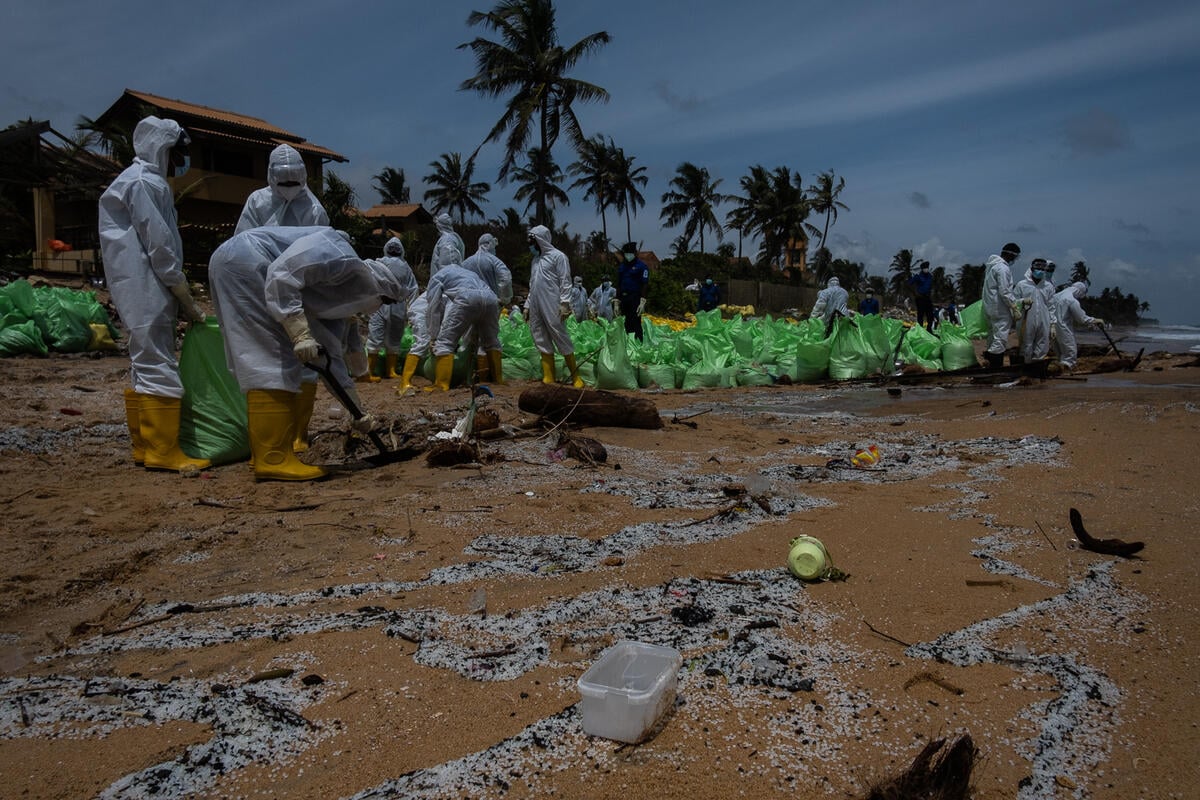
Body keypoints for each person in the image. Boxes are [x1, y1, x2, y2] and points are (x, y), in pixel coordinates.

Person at [208, 226, 407, 481]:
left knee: (271, 358)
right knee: (271, 359)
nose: (380, 307)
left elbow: (330, 357)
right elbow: (281, 276)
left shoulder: (332, 297)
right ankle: (274, 459)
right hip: (248, 261)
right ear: (378, 286)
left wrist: (357, 411)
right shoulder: (340, 257)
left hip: (243, 267)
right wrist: (300, 334)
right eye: (386, 301)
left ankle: (267, 455)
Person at [98, 115, 210, 473]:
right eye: (178, 153)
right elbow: (159, 242)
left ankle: (145, 447)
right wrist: (181, 290)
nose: (181, 161)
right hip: (148, 282)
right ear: (163, 148)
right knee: (157, 359)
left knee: (143, 360)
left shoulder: (130, 180)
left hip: (134, 282)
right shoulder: (147, 183)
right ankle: (164, 451)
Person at [424, 265, 504, 390]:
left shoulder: (437, 277)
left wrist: (433, 336)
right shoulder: (469, 273)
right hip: (491, 298)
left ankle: (441, 384)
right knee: (491, 341)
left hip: (467, 297)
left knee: (445, 342)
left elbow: (434, 306)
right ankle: (498, 380)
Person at [527, 225, 583, 387]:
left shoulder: (558, 257)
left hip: (552, 302)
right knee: (539, 334)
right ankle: (548, 376)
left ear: (540, 240)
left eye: (532, 241)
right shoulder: (535, 261)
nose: (530, 245)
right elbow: (533, 284)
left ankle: (575, 376)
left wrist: (565, 303)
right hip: (537, 303)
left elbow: (565, 281)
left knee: (559, 333)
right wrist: (528, 305)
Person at [235, 144, 329, 234]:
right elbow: (244, 239)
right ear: (272, 177)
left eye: (293, 183)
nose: (289, 188)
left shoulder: (314, 210)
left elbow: (320, 244)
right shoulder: (257, 201)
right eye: (284, 184)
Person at [363, 237, 419, 382]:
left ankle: (376, 370)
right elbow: (413, 289)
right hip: (392, 304)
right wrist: (413, 310)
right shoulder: (404, 266)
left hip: (382, 304)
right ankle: (385, 370)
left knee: (381, 336)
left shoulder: (379, 263)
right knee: (389, 337)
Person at [981, 242, 1022, 368]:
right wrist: (1014, 307)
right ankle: (994, 365)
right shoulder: (1003, 268)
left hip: (989, 307)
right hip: (1000, 309)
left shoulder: (992, 266)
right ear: (1011, 255)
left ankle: (989, 361)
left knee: (992, 337)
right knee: (1000, 338)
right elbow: (1005, 291)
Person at [1051, 281, 1105, 370]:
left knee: (1059, 352)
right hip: (1063, 328)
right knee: (1070, 354)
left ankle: (1058, 369)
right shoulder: (1071, 300)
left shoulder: (1056, 296)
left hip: (1051, 327)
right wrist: (1094, 320)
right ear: (1080, 292)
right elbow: (1081, 318)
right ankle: (1066, 372)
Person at [1014, 258, 1053, 362]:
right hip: (1026, 319)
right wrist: (1022, 301)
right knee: (1026, 343)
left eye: (1043, 268)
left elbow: (1051, 306)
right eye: (1037, 267)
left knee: (1043, 343)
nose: (1040, 270)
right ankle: (1026, 365)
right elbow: (1013, 301)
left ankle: (1037, 366)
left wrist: (1053, 324)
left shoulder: (1048, 286)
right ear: (1031, 268)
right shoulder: (1022, 285)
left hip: (1044, 320)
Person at [617, 241, 649, 341]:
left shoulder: (642, 266)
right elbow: (618, 283)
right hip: (623, 297)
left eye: (629, 253)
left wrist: (642, 301)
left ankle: (637, 343)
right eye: (626, 253)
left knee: (635, 322)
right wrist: (616, 301)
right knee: (624, 322)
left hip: (635, 298)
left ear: (635, 253)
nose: (628, 255)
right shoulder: (622, 266)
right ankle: (626, 342)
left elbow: (644, 284)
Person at [428, 212, 464, 279]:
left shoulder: (447, 241)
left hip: (445, 284)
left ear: (439, 226)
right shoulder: (449, 238)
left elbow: (448, 265)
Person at [908, 261, 935, 332]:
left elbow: (931, 286)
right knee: (921, 315)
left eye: (927, 268)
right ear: (922, 269)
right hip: (920, 298)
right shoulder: (918, 276)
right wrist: (915, 293)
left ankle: (929, 330)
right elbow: (909, 283)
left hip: (927, 297)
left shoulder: (930, 276)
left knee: (930, 315)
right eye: (925, 268)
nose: (926, 269)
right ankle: (920, 330)